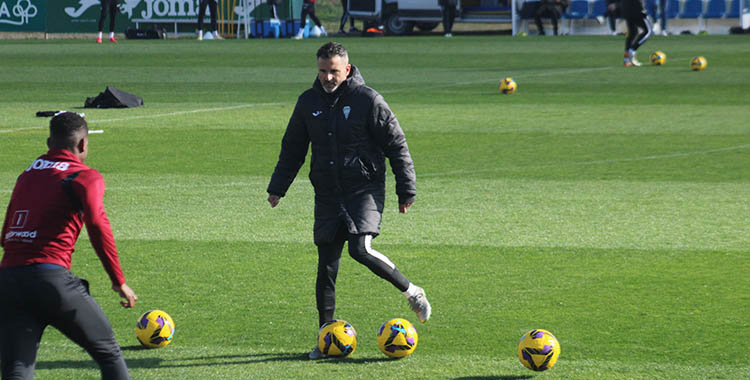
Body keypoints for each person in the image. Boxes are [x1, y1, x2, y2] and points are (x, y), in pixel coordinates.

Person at [267, 42, 432, 360]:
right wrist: (278, 187)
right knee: (326, 268)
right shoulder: (308, 102)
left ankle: (412, 292)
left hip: (363, 190)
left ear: (347, 69)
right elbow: (293, 147)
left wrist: (406, 190)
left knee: (361, 249)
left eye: (333, 71)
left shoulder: (367, 99)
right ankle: (325, 340)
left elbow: (396, 143)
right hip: (327, 194)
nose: (328, 77)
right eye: (322, 71)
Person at [0, 112, 138, 380]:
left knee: (17, 368)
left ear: (49, 142)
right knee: (108, 352)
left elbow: (5, 234)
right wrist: (117, 280)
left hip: (7, 280)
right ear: (84, 144)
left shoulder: (26, 175)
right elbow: (98, 225)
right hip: (51, 281)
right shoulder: (84, 176)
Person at [621, 0, 652, 66]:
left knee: (632, 33)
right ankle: (632, 50)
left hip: (626, 8)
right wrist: (642, 9)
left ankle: (627, 59)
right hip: (637, 8)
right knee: (648, 31)